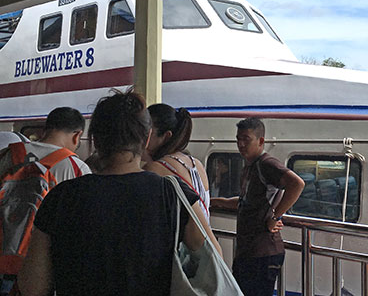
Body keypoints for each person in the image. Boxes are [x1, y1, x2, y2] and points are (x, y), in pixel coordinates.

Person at [18, 90, 221, 296]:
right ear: (147, 137)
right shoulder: (174, 196)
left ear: (95, 139)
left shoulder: (61, 197)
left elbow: (33, 287)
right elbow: (215, 260)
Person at [0, 107, 92, 296]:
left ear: (45, 129)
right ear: (77, 136)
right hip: (40, 275)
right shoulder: (77, 169)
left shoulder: (4, 156)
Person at [211, 117, 305, 296]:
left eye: (246, 139)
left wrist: (276, 217)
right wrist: (217, 202)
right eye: (238, 139)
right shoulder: (250, 166)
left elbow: (297, 184)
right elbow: (246, 201)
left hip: (263, 251)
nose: (240, 144)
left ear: (261, 141)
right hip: (249, 251)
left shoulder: (266, 163)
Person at [143, 104, 211, 221]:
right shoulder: (197, 164)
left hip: (176, 239)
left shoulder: (154, 169)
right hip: (200, 238)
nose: (142, 138)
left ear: (166, 136)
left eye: (147, 133)